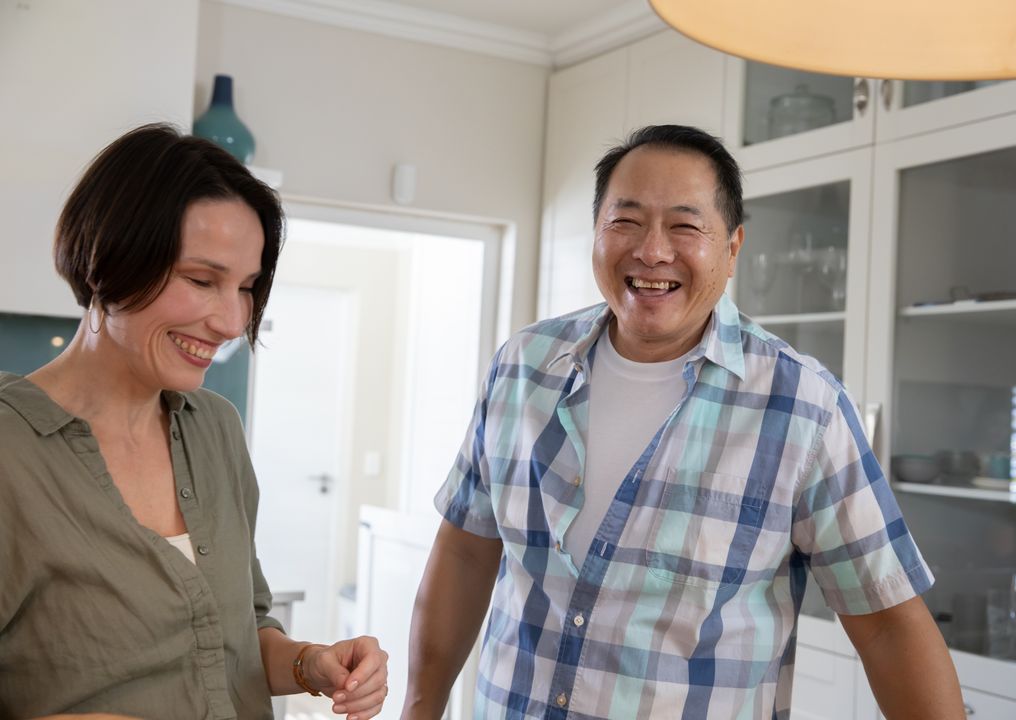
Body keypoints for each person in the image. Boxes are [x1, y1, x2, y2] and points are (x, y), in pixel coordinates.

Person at [403, 125, 964, 719]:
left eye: (685, 225)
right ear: (596, 233)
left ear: (732, 247)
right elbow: (466, 550)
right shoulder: (523, 366)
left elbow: (886, 624)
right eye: (626, 220)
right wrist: (420, 707)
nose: (651, 251)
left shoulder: (803, 406)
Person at [0, 124, 388, 720]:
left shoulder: (215, 429)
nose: (233, 322)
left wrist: (310, 663)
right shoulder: (11, 451)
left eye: (248, 288)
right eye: (202, 280)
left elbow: (239, 633)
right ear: (109, 259)